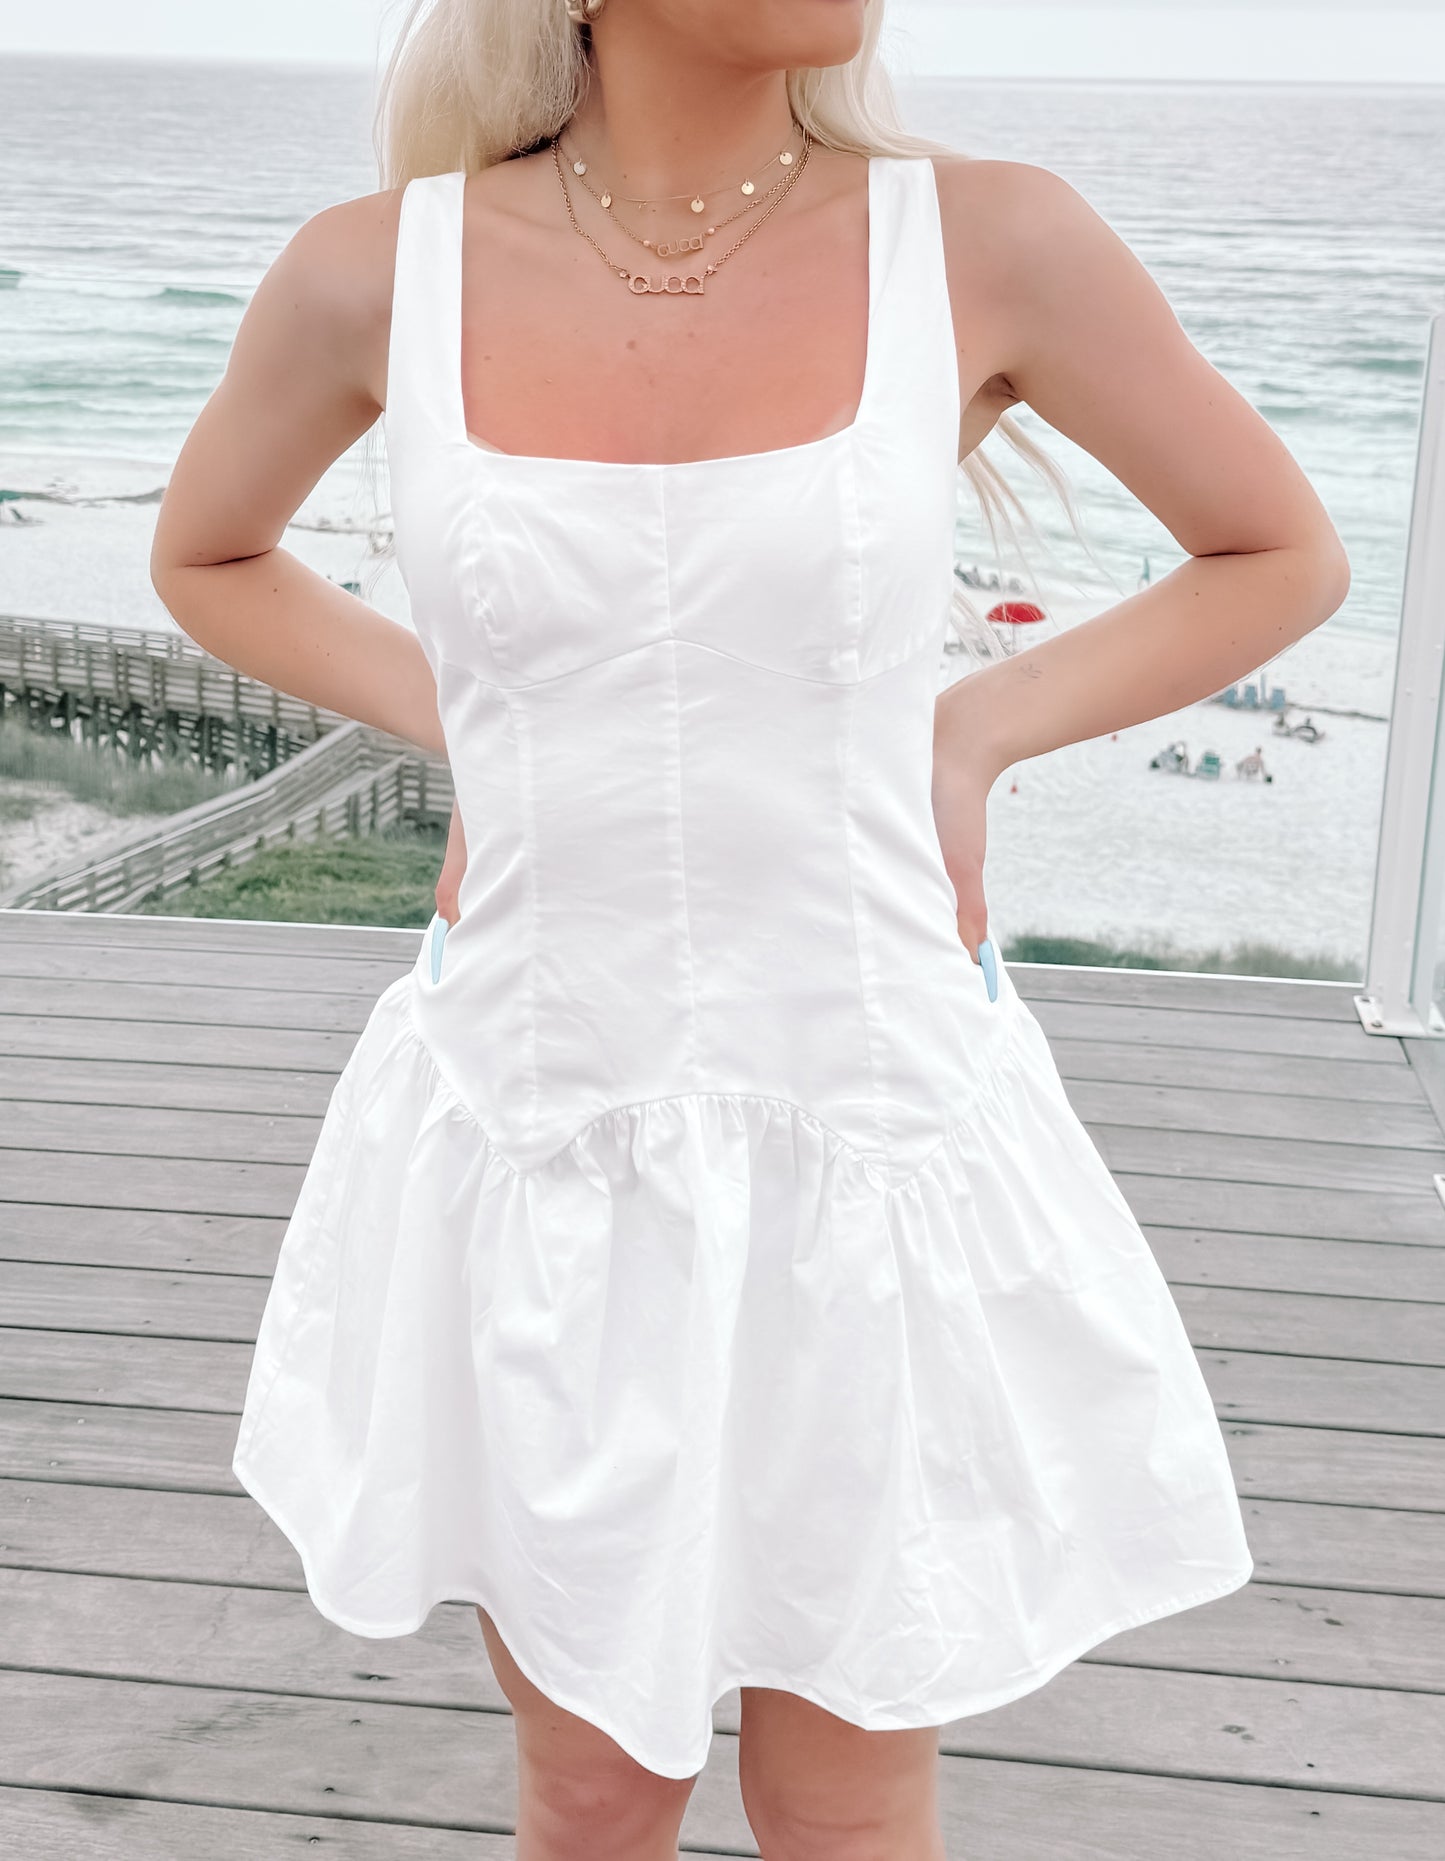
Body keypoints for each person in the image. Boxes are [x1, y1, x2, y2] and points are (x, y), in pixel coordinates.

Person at [149, 3, 1350, 1856]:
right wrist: (484, 724)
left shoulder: (990, 238)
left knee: (850, 1800)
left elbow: (1274, 547)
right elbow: (209, 553)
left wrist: (973, 732)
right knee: (590, 1788)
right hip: (547, 1117)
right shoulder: (371, 271)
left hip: (858, 1128)